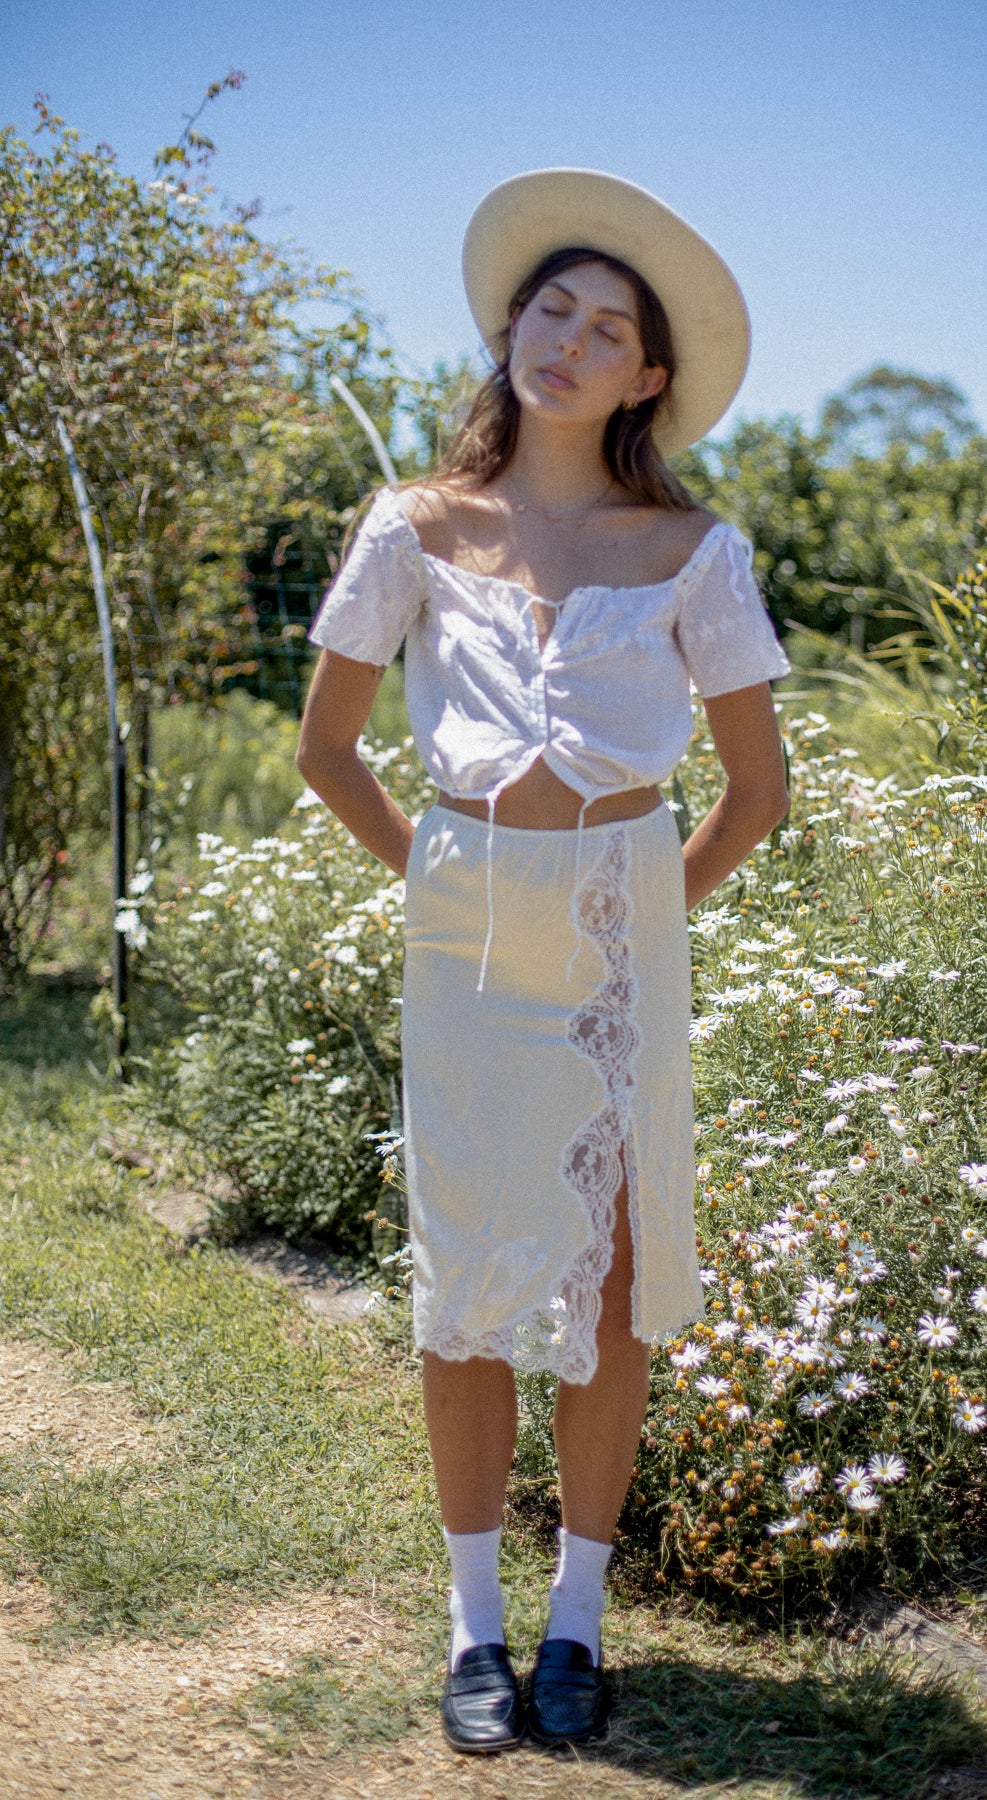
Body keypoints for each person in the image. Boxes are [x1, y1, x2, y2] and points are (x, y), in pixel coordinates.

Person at [297, 169, 791, 1755]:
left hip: (624, 922)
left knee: (620, 1272)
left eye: (607, 329)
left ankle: (576, 1625)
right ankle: (474, 1629)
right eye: (549, 311)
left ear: (648, 377)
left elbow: (758, 792)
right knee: (464, 1279)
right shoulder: (414, 528)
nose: (567, 342)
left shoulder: (693, 549)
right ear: (511, 330)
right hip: (461, 920)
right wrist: (460, 887)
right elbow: (329, 755)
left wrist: (637, 908)